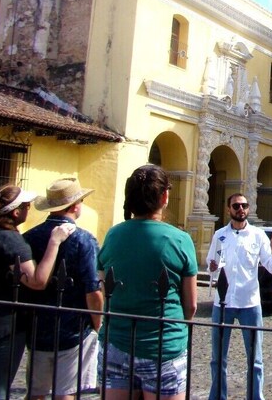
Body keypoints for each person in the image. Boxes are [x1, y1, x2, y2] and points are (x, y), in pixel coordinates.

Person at [0, 184, 74, 400]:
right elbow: (36, 281)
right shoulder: (10, 240)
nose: (28, 209)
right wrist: (55, 242)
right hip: (2, 324)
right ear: (16, 212)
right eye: (26, 206)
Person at [97, 165, 197, 400]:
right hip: (164, 344)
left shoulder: (113, 235)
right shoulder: (180, 239)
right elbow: (191, 305)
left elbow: (103, 288)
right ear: (164, 197)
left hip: (117, 341)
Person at [23, 178, 103, 400]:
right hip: (74, 327)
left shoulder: (29, 236)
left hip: (38, 324)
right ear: (76, 205)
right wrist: (98, 323)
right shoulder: (84, 239)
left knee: (36, 392)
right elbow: (92, 289)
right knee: (66, 392)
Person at [206, 193, 272, 400]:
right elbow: (212, 268)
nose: (241, 209)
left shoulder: (258, 235)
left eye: (244, 205)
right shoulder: (220, 235)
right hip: (223, 302)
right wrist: (212, 267)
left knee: (255, 359)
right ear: (229, 209)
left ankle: (256, 397)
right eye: (236, 205)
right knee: (218, 358)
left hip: (250, 302)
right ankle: (217, 396)